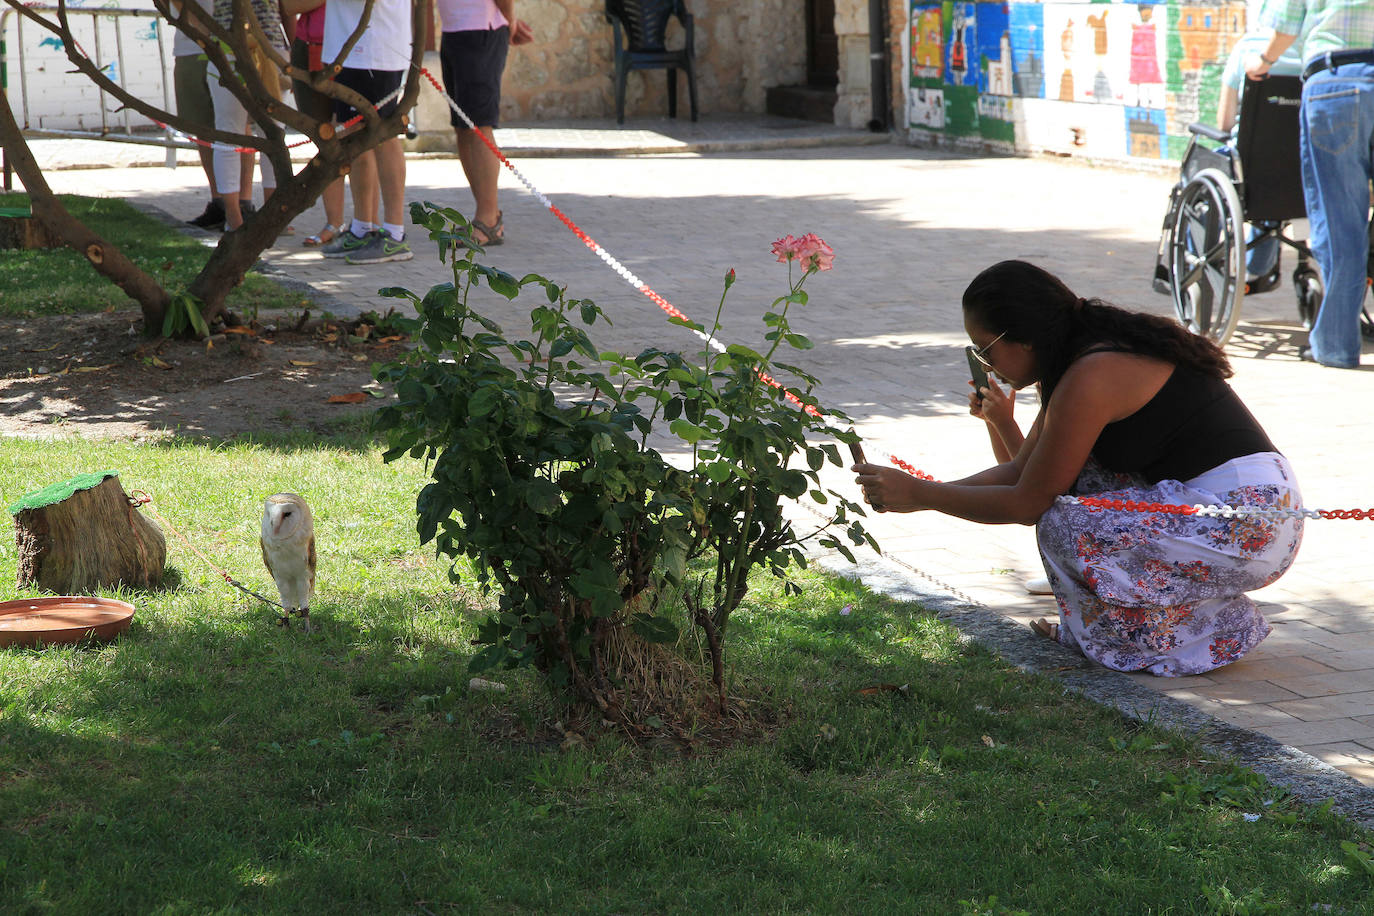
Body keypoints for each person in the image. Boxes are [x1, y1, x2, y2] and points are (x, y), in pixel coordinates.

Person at [854, 261, 1304, 676]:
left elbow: (1029, 501)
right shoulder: (1079, 364)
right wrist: (913, 490)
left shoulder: (1092, 373)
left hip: (1250, 517)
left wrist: (922, 495)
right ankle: (1158, 633)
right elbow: (1021, 472)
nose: (984, 365)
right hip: (1237, 511)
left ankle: (1198, 633)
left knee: (1063, 524)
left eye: (985, 349)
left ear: (1024, 337)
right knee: (1078, 495)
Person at [1248, 0, 1374, 368]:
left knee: (1339, 224)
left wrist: (1264, 62)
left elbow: (1285, 27)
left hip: (1337, 82)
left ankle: (1335, 346)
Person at [312, 0, 414, 264]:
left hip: (376, 49)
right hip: (349, 49)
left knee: (384, 137)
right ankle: (362, 227)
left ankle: (395, 234)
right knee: (354, 139)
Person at [437, 0, 533, 246]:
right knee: (463, 127)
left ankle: (489, 219)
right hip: (453, 30)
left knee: (478, 126)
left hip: (481, 30)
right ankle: (484, 217)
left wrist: (509, 20)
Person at [1216, 30, 1303, 285]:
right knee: (1274, 175)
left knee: (1203, 169)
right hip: (1298, 170)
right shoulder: (1315, 53)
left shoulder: (1246, 48)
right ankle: (1257, 266)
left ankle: (1193, 253)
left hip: (1249, 165)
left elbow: (1224, 122)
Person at [206, 0, 290, 232]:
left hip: (271, 50)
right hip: (228, 49)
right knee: (228, 134)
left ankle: (275, 213)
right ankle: (233, 217)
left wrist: (292, 59)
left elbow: (286, 10)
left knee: (273, 134)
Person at [171, 0, 254, 231]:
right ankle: (222, 203)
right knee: (204, 129)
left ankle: (243, 203)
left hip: (231, 45)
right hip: (193, 47)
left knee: (239, 125)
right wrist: (205, 35)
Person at [967, 376, 1053, 596]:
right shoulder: (1052, 391)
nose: (989, 367)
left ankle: (1070, 573)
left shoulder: (1069, 391)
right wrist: (994, 422)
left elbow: (1034, 477)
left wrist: (1004, 422)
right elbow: (1014, 470)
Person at [288, 0, 346, 247]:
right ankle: (334, 222)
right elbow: (289, 6)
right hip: (310, 46)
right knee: (324, 139)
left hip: (353, 46)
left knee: (362, 139)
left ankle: (369, 225)